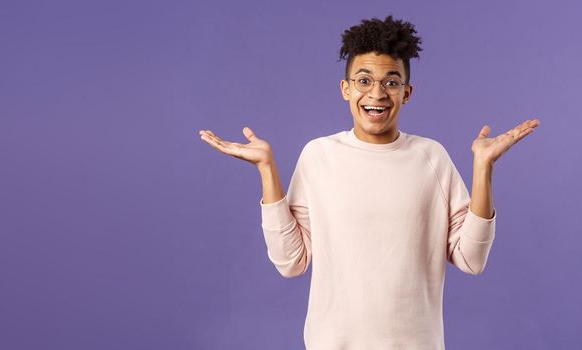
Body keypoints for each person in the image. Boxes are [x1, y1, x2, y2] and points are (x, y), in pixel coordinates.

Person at [199, 14, 539, 350]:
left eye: (391, 82)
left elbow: (471, 259)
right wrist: (267, 169)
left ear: (406, 92)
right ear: (346, 89)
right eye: (364, 81)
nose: (376, 93)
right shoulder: (319, 156)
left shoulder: (431, 158)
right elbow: (291, 261)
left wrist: (484, 168)